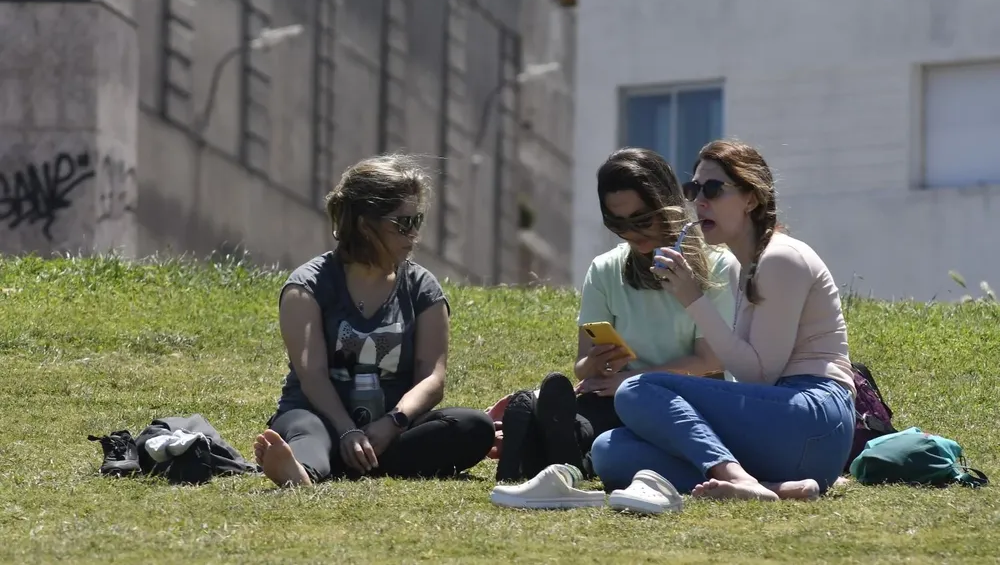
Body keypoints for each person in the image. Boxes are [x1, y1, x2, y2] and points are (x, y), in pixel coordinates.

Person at [590, 139, 856, 501]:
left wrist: (692, 299)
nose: (699, 201)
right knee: (610, 449)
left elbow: (760, 374)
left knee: (637, 389)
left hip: (814, 417)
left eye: (713, 189)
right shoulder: (736, 264)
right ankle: (770, 487)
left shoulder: (781, 258)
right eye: (693, 189)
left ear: (751, 198)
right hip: (781, 434)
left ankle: (737, 477)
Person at [496, 147, 739, 482]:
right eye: (617, 224)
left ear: (666, 202)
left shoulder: (719, 266)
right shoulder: (606, 268)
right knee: (592, 416)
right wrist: (595, 363)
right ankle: (560, 446)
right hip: (617, 395)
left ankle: (548, 451)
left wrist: (635, 381)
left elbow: (710, 362)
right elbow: (582, 364)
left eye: (641, 220)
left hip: (687, 397)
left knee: (628, 420)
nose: (631, 234)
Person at [253, 154, 495, 486]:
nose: (414, 235)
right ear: (365, 225)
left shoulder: (423, 288)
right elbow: (313, 377)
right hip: (320, 418)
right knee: (304, 428)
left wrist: (393, 422)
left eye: (418, 221)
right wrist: (346, 429)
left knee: (474, 426)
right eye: (403, 224)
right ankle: (303, 471)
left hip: (392, 431)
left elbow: (432, 380)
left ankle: (348, 463)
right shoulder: (307, 287)